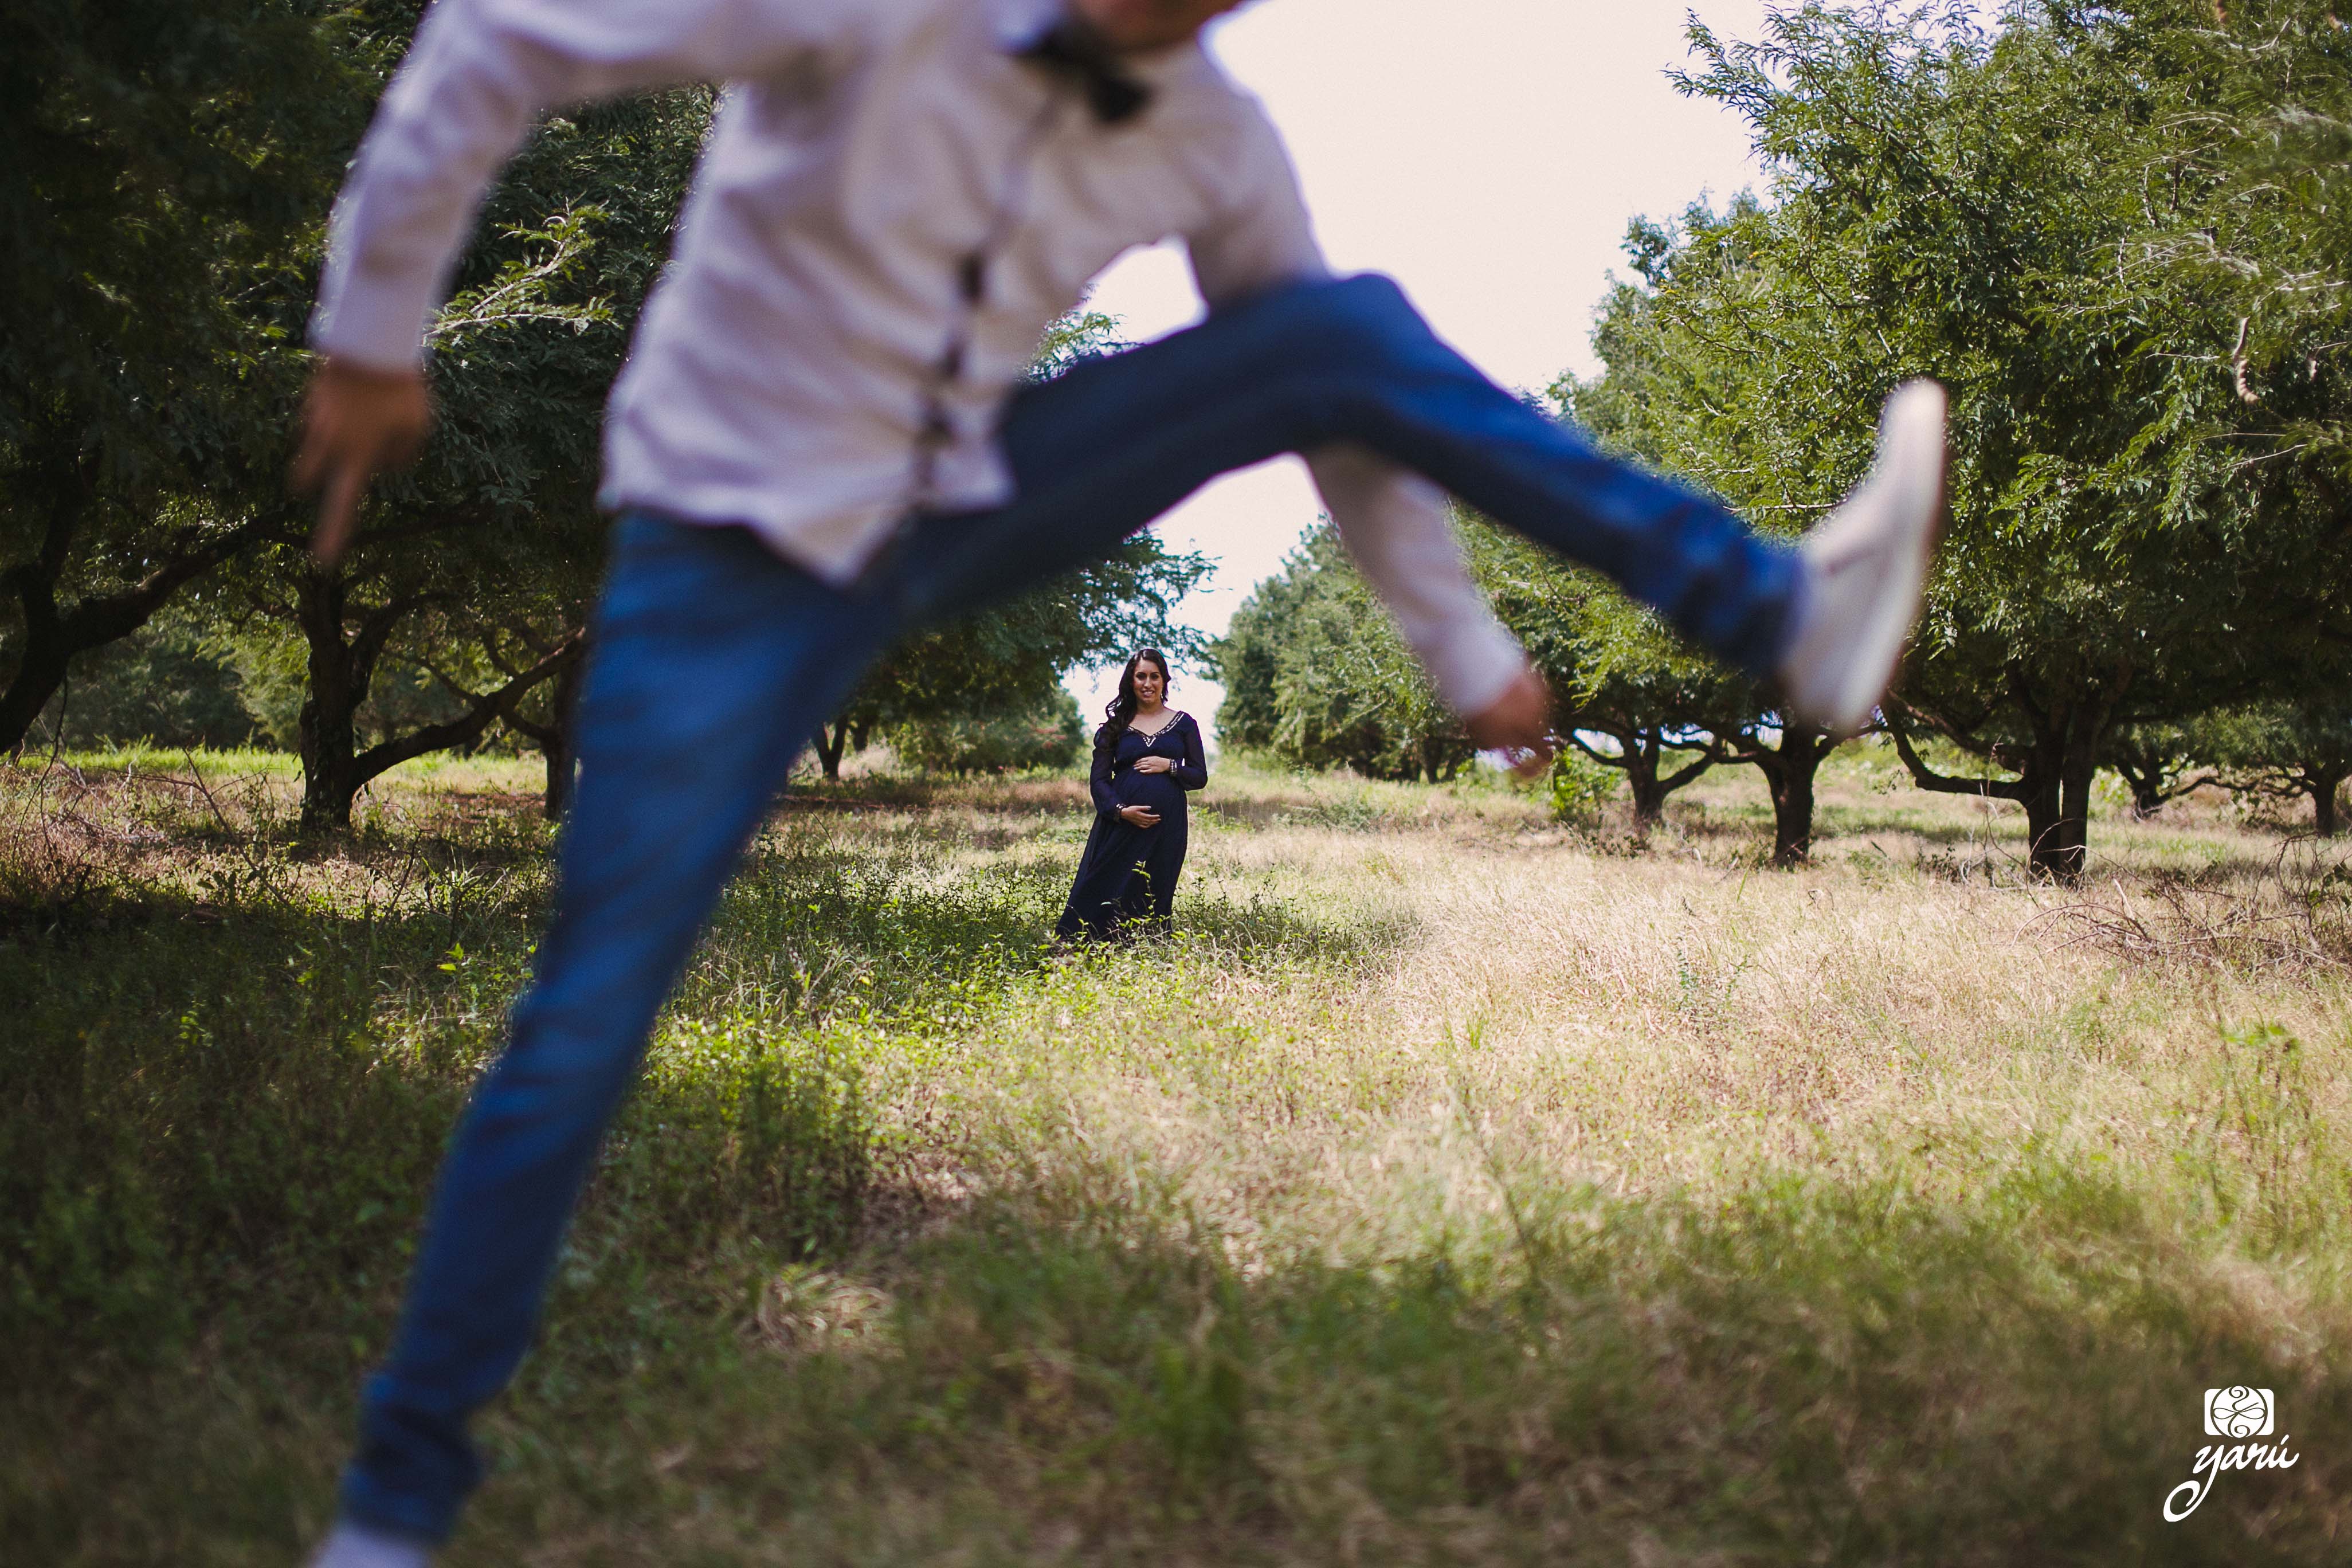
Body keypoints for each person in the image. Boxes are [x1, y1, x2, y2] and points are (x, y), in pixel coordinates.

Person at [293, 0, 1947, 1560]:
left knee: (1336, 330)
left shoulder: (1214, 136)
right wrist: (371, 334)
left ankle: (1779, 616)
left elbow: (1353, 412)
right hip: (726, 553)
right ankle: (393, 1506)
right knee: (588, 1015)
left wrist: (1461, 652)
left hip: (952, 509)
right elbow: (501, 37)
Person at [1058, 649, 1206, 940]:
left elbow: (1199, 776)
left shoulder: (1184, 724)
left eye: (1154, 676)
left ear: (1164, 680)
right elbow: (1099, 780)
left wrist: (1169, 766)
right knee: (1102, 882)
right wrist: (1121, 811)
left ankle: (1144, 946)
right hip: (1122, 823)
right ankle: (1076, 946)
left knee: (1155, 886)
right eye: (1141, 677)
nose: (1148, 683)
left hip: (1168, 826)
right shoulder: (1116, 727)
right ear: (1131, 681)